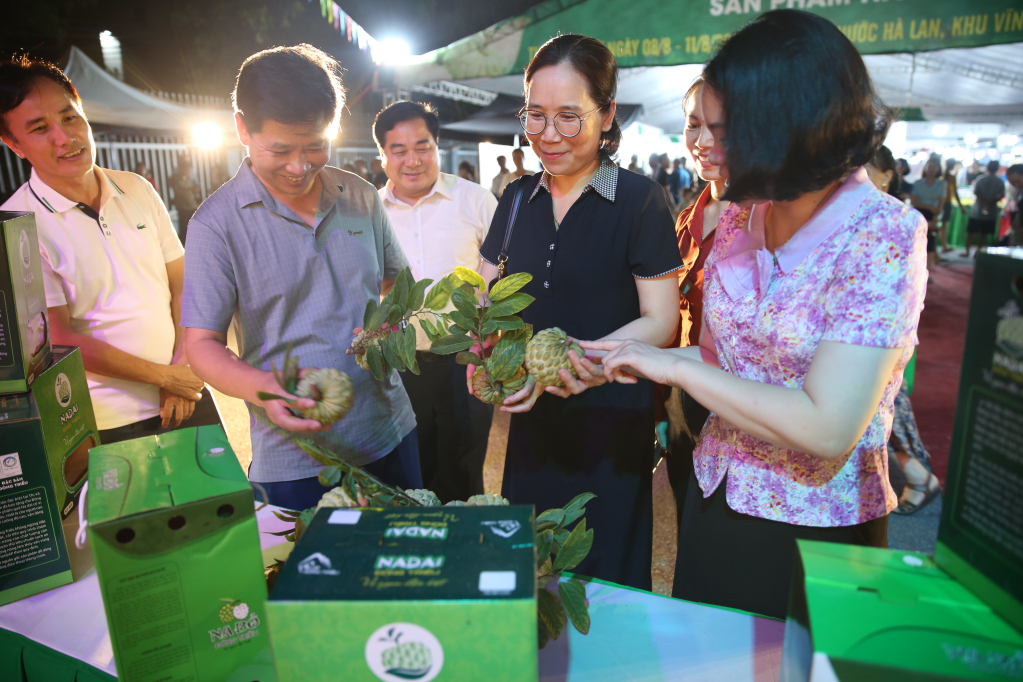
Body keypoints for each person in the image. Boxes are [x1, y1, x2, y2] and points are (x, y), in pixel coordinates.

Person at [588, 10, 927, 619]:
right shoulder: (745, 214)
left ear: (790, 125)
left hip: (816, 523)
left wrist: (675, 370)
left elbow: (827, 426)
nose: (706, 148)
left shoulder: (884, 234)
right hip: (718, 495)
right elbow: (724, 358)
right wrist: (633, 355)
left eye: (726, 130)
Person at [477, 34, 682, 590]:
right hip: (533, 420)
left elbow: (661, 319)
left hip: (611, 418)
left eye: (570, 117)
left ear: (607, 112)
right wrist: (485, 353)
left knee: (606, 573)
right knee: (534, 567)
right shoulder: (517, 198)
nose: (548, 135)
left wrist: (584, 362)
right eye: (536, 116)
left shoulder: (640, 200)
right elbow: (488, 298)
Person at [181, 44, 419, 511]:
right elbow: (202, 346)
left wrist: (387, 327)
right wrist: (265, 390)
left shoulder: (360, 196)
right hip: (297, 458)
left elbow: (398, 285)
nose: (299, 165)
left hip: (389, 428)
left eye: (315, 145)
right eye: (281, 149)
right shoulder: (216, 225)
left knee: (406, 573)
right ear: (242, 129)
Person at [0, 55, 214, 444]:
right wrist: (163, 377)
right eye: (39, 128)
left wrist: (182, 367)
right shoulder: (17, 224)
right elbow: (58, 337)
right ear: (13, 144)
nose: (64, 137)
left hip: (185, 393)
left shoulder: (136, 187)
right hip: (106, 419)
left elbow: (182, 282)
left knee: (226, 503)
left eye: (69, 117)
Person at [374, 100, 498, 503]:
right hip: (402, 366)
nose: (413, 160)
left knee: (464, 470)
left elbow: (503, 274)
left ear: (437, 145)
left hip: (467, 360)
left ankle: (465, 554)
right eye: (399, 150)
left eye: (423, 146)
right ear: (382, 155)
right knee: (411, 472)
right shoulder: (369, 212)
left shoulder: (476, 201)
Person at [660, 77, 730, 527]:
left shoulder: (773, 225)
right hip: (680, 395)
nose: (702, 142)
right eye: (692, 125)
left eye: (720, 129)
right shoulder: (688, 216)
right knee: (686, 519)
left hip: (736, 401)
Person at [864, 145, 941, 515]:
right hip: (866, 340)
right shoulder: (860, 215)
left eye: (864, 168)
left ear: (886, 175)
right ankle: (918, 476)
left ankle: (919, 477)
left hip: (887, 340)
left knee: (890, 407)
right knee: (885, 409)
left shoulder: (900, 221)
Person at [963, 160, 1005, 258]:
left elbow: (976, 192)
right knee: (983, 233)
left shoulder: (981, 179)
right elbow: (1001, 195)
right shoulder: (999, 181)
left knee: (971, 231)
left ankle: (967, 250)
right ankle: (978, 250)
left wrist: (984, 202)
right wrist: (989, 203)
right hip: (990, 209)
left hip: (978, 209)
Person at [910, 157, 945, 274]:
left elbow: (941, 203)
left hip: (933, 215)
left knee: (931, 243)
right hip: (919, 214)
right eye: (929, 166)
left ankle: (927, 272)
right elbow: (914, 202)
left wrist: (935, 216)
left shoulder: (942, 184)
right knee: (916, 243)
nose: (931, 169)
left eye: (934, 167)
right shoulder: (918, 183)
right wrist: (930, 207)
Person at [168, 156, 201, 244]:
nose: (189, 171)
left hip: (192, 206)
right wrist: (191, 189)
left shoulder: (191, 178)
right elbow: (176, 191)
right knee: (184, 229)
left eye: (190, 169)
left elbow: (196, 189)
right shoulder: (175, 179)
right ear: (182, 168)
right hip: (183, 207)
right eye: (187, 169)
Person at [939, 158, 963, 253]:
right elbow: (955, 192)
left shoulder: (942, 176)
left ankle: (944, 244)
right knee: (943, 225)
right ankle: (944, 244)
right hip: (946, 202)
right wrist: (961, 206)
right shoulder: (951, 177)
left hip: (940, 202)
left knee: (941, 224)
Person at [1007, 164, 1023, 245]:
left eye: (1017, 181)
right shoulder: (1019, 190)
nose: (1015, 185)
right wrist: (1017, 218)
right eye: (1012, 183)